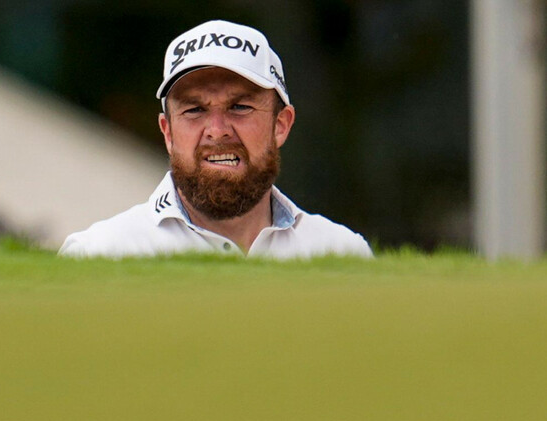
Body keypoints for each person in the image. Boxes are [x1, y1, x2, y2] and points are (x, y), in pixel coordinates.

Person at [59, 20, 372, 260]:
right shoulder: (99, 255)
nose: (217, 130)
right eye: (194, 110)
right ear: (168, 132)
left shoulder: (342, 254)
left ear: (281, 125)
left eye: (240, 107)